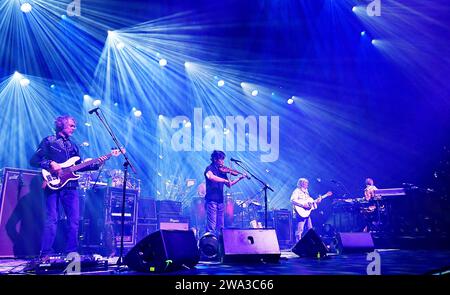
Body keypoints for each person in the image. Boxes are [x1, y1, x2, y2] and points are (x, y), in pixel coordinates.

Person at [30, 115, 107, 259]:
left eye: (74, 126)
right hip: (52, 184)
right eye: (71, 125)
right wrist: (50, 163)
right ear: (61, 125)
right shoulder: (49, 141)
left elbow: (78, 167)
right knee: (51, 219)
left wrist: (96, 164)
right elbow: (34, 160)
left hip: (71, 186)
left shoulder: (74, 146)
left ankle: (71, 252)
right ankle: (45, 253)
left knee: (74, 220)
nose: (74, 128)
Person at [204, 150, 247, 235]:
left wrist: (240, 178)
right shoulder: (209, 168)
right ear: (215, 159)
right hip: (211, 200)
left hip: (220, 201)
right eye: (221, 159)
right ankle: (210, 245)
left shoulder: (222, 171)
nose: (223, 161)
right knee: (211, 226)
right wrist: (224, 180)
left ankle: (221, 245)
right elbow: (211, 177)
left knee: (221, 227)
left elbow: (229, 184)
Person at [290, 178, 320, 242]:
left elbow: (310, 203)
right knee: (300, 229)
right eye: (306, 183)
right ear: (301, 183)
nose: (307, 184)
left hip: (306, 213)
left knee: (310, 229)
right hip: (300, 213)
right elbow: (292, 200)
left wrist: (316, 202)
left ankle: (311, 244)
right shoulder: (297, 191)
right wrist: (302, 205)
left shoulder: (306, 192)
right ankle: (298, 246)